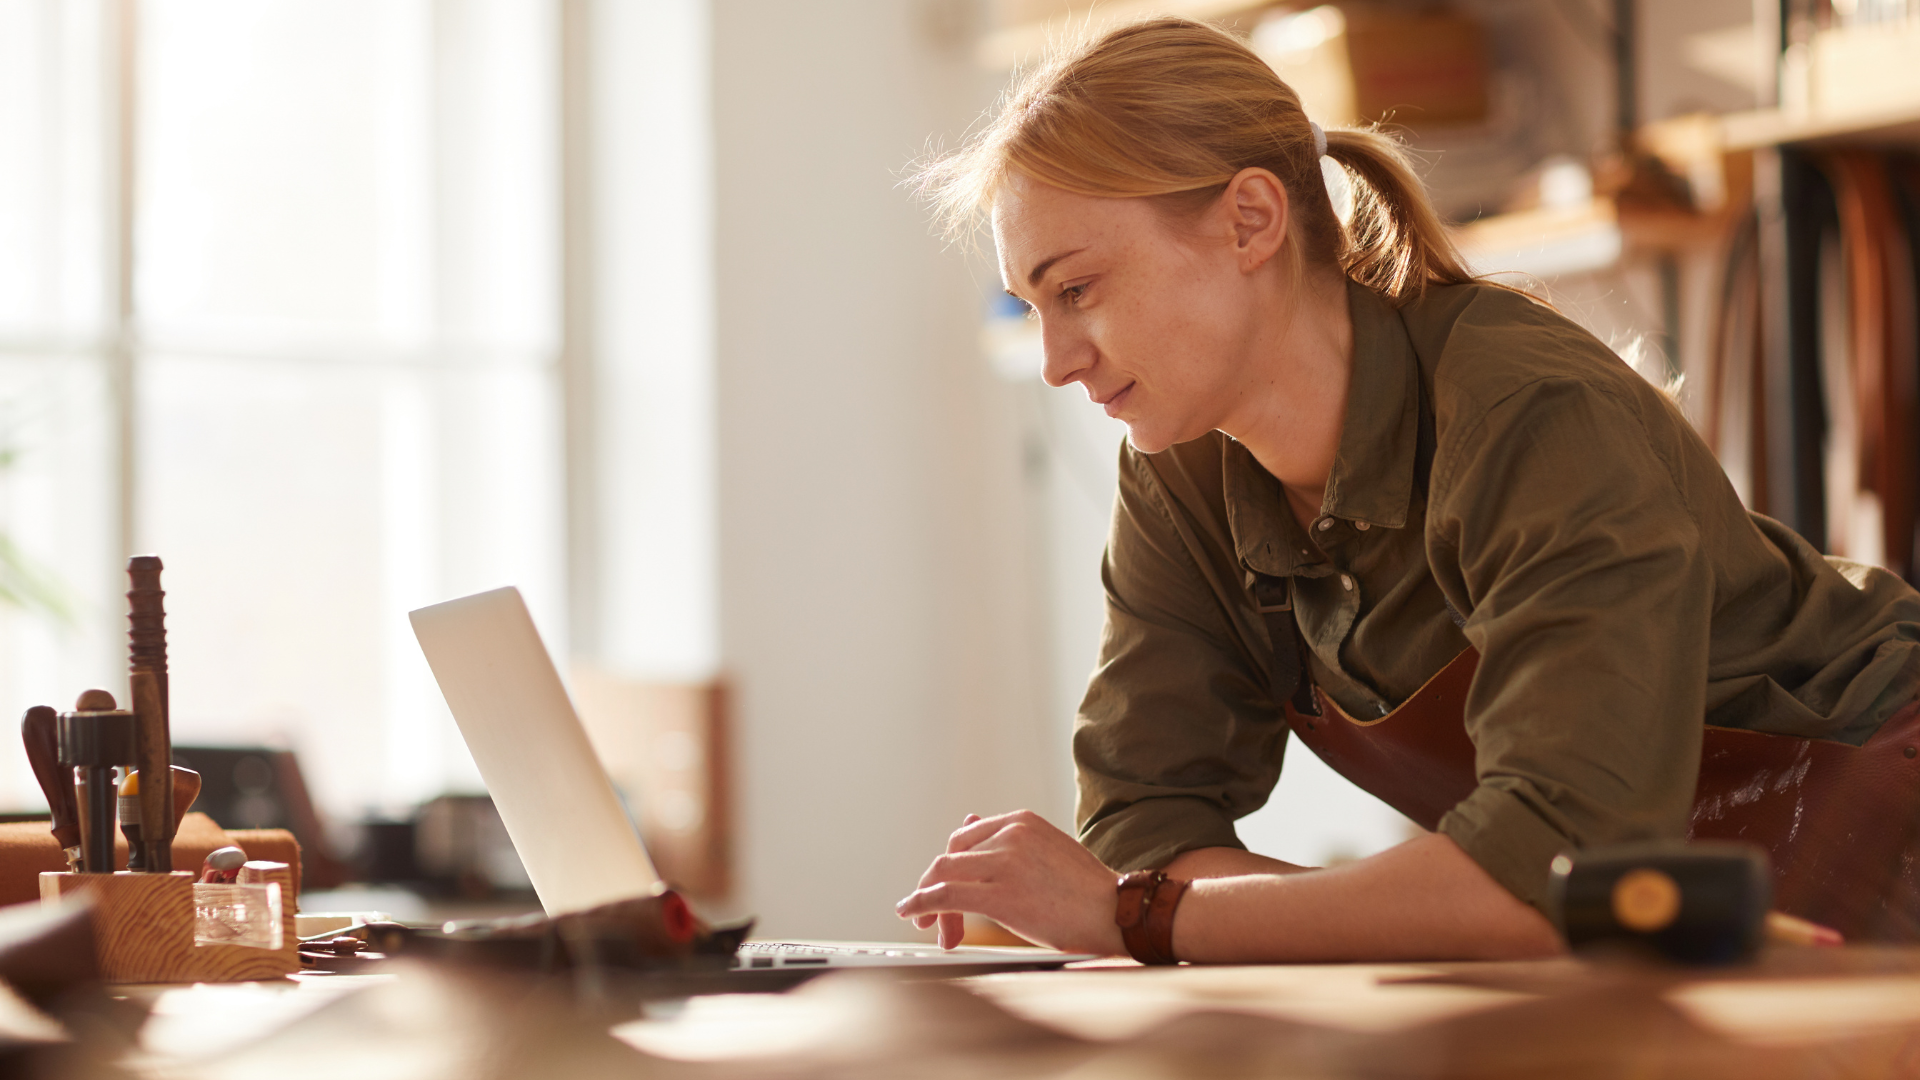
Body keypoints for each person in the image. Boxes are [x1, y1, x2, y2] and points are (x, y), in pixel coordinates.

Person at [892, 17, 1920, 963]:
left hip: (1887, 834)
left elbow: (1553, 873)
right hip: (1671, 928)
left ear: (1251, 221)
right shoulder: (1180, 476)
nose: (1056, 361)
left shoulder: (1530, 411)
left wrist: (1147, 915)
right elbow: (1149, 834)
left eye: (1077, 290)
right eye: (1033, 306)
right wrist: (1179, 907)